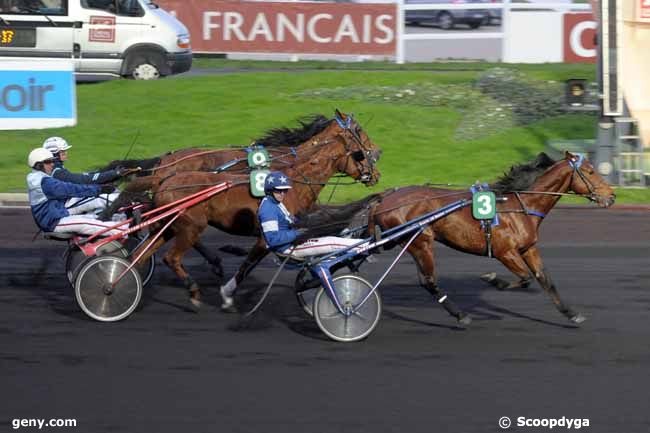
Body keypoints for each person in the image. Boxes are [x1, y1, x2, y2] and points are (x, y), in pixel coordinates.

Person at [219, 171, 361, 310]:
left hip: (295, 242)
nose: (282, 194)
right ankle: (364, 245)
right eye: (279, 191)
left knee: (328, 234)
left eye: (285, 190)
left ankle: (360, 244)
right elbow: (272, 239)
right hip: (288, 249)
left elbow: (291, 221)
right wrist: (296, 233)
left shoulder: (276, 203)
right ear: (269, 191)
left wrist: (306, 225)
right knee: (331, 242)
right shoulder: (268, 209)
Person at [26, 148, 123, 237]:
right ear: (38, 165)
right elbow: (71, 189)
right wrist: (99, 189)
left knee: (93, 218)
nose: (52, 164)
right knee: (90, 224)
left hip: (58, 214)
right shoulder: (45, 182)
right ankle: (125, 230)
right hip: (54, 222)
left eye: (52, 161)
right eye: (48, 162)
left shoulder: (38, 178)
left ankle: (123, 220)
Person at [43, 136, 123, 214]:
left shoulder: (56, 169)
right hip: (62, 208)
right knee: (100, 199)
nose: (66, 153)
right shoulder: (57, 172)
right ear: (53, 155)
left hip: (65, 202)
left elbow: (85, 176)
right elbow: (84, 180)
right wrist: (114, 173)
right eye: (62, 151)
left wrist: (106, 171)